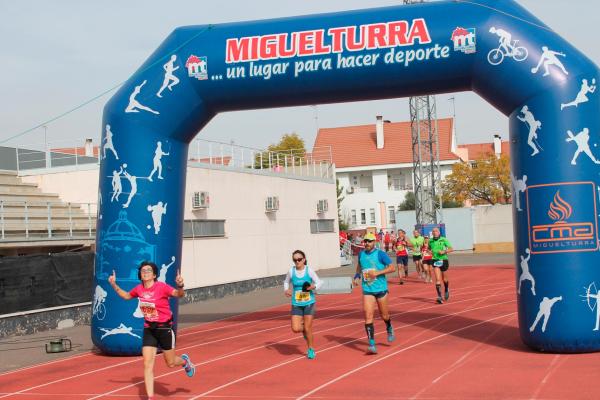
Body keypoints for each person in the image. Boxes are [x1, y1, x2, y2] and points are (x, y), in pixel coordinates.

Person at [108, 261, 195, 400]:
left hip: (164, 328)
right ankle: (151, 397)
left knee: (170, 363)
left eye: (148, 270)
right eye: (143, 270)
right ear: (140, 275)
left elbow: (179, 294)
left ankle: (185, 362)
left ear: (154, 275)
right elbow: (126, 296)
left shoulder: (161, 287)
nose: (145, 272)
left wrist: (180, 285)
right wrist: (113, 284)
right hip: (149, 328)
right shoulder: (139, 289)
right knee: (147, 364)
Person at [353, 233, 396, 354]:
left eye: (369, 241)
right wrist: (357, 276)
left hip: (381, 289)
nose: (366, 243)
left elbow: (392, 268)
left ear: (374, 242)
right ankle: (372, 345)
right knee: (368, 316)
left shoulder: (380, 254)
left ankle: (389, 327)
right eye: (365, 241)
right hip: (367, 290)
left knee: (384, 315)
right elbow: (359, 266)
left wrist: (377, 273)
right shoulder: (361, 254)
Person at [283, 250, 323, 359]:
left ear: (304, 259)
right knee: (295, 328)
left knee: (308, 327)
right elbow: (286, 282)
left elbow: (319, 282)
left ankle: (311, 349)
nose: (297, 262)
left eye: (299, 259)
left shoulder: (309, 270)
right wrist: (286, 290)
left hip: (309, 302)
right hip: (296, 303)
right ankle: (305, 330)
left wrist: (313, 287)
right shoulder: (291, 271)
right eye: (295, 260)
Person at [430, 227, 454, 304]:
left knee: (445, 279)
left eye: (436, 231)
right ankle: (439, 297)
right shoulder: (431, 241)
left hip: (443, 260)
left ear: (439, 232)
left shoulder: (444, 239)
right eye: (433, 231)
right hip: (435, 260)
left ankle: (446, 289)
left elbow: (451, 248)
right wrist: (429, 251)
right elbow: (429, 248)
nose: (434, 232)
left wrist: (444, 251)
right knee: (437, 279)